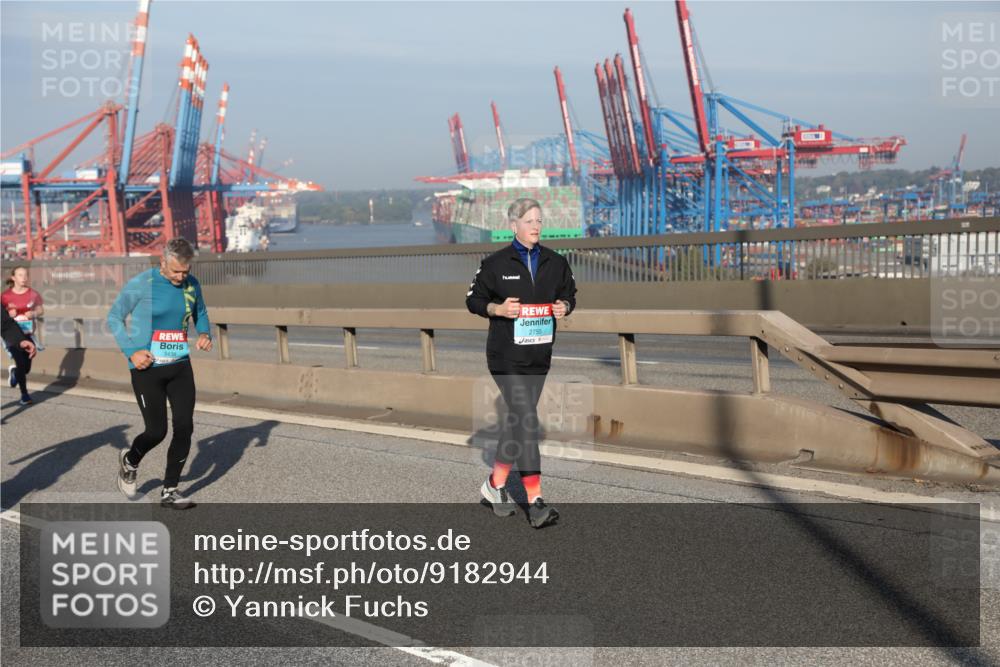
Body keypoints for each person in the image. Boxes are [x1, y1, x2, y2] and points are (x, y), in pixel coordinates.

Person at [466, 198, 577, 529]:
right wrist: (498, 309)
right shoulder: (495, 264)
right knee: (527, 420)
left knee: (518, 422)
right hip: (505, 356)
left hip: (538, 356)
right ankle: (536, 501)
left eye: (539, 220)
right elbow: (473, 300)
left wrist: (565, 306)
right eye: (529, 221)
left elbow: (570, 294)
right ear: (513, 225)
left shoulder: (556, 262)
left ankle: (495, 485)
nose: (536, 226)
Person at [107, 238, 212, 509]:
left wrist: (204, 333)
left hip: (180, 366)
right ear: (162, 262)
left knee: (185, 427)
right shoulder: (143, 283)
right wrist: (132, 352)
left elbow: (200, 311)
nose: (181, 277)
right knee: (156, 431)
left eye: (186, 271)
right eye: (176, 271)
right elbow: (114, 317)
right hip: (147, 369)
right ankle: (130, 460)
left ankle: (170, 491)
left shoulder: (191, 285)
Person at [2, 266, 43, 405]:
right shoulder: (5, 296)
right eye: (20, 275)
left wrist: (34, 313)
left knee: (26, 368)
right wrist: (9, 314)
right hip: (11, 335)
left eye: (26, 275)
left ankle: (15, 372)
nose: (24, 278)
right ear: (13, 278)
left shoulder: (33, 294)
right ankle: (24, 395)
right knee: (20, 362)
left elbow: (40, 309)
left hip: (27, 334)